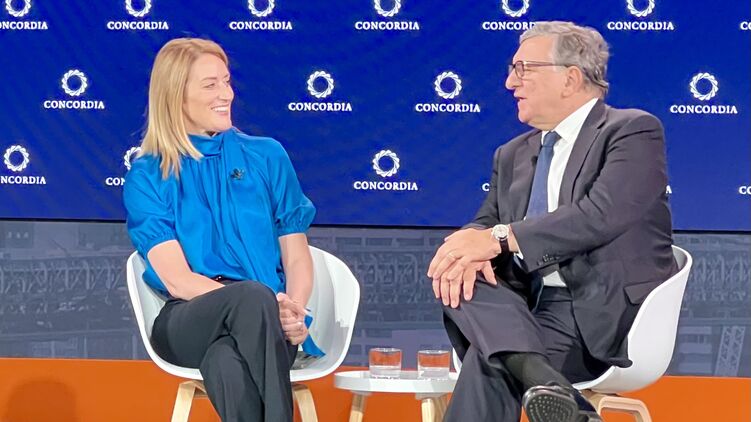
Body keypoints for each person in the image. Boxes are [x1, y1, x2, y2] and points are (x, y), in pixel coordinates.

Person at [427, 21, 678, 422]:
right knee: (456, 272)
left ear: (570, 78)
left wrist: (499, 238)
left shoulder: (631, 131)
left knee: (491, 362)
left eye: (523, 69)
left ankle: (543, 382)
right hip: (523, 303)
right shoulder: (512, 153)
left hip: (591, 308)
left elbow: (600, 215)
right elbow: (487, 221)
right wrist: (464, 245)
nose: (510, 82)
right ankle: (549, 385)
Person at [123, 38, 323, 422]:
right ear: (176, 96)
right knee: (252, 297)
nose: (226, 94)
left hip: (268, 320)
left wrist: (294, 312)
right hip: (189, 316)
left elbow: (296, 255)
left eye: (227, 82)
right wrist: (265, 303)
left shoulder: (267, 155)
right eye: (210, 85)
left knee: (225, 362)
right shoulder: (148, 175)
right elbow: (179, 280)